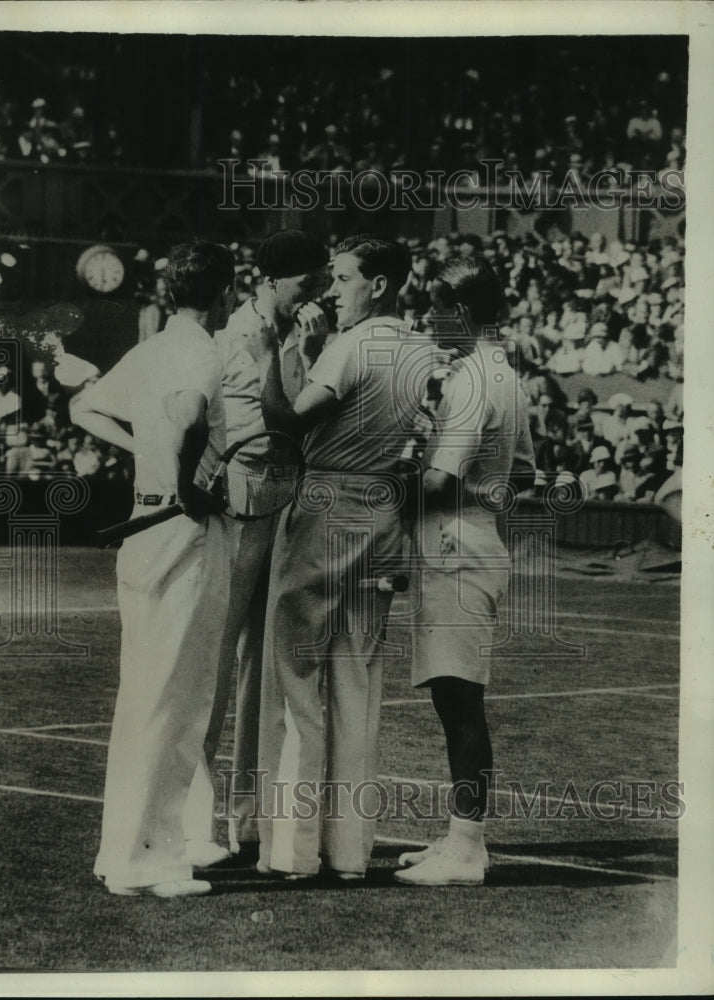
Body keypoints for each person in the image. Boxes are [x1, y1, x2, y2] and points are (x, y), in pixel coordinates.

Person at [251, 235, 424, 881]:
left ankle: (292, 852)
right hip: (382, 513)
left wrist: (276, 346)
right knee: (358, 684)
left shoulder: (353, 344)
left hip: (327, 505)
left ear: (378, 285)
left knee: (296, 676)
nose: (333, 289)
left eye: (346, 278)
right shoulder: (418, 346)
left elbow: (285, 420)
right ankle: (349, 852)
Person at [70, 238, 236, 897]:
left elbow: (82, 407)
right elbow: (191, 414)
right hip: (184, 528)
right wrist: (194, 481)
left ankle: (122, 856)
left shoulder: (153, 348)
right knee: (179, 700)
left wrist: (148, 447)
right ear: (221, 292)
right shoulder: (203, 350)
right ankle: (156, 861)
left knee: (142, 697)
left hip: (144, 528)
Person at [184, 229, 330, 866]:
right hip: (238, 497)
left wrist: (309, 347)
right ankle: (195, 818)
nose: (317, 290)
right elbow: (203, 421)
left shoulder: (305, 333)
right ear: (272, 281)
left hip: (286, 499)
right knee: (216, 657)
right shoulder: (228, 338)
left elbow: (304, 417)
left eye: (322, 278)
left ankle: (244, 818)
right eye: (306, 280)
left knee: (261, 664)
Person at [394, 256, 535, 887]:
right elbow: (524, 473)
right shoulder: (505, 374)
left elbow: (435, 482)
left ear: (461, 312)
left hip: (454, 550)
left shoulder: (471, 381)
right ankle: (459, 835)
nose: (428, 318)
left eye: (436, 307)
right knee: (457, 702)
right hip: (474, 543)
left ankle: (469, 850)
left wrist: (390, 475)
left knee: (460, 704)